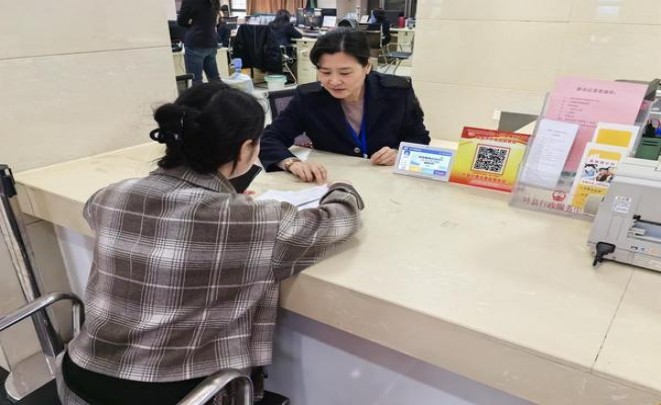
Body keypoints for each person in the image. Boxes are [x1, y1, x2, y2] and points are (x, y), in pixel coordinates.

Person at [57, 83, 364, 404]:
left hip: (79, 380)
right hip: (183, 395)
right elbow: (339, 220)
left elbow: (109, 213)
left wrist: (221, 200)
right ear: (245, 150)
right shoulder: (251, 220)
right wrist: (343, 189)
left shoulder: (112, 195)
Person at [259, 28, 430, 183]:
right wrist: (292, 163)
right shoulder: (309, 97)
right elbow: (270, 138)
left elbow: (418, 137)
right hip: (332, 180)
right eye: (325, 72)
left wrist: (398, 153)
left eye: (345, 73)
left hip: (386, 181)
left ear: (367, 66)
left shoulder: (396, 92)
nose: (334, 81)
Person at [177, 0, 222, 84]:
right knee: (215, 78)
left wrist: (192, 23)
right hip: (211, 41)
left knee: (196, 81)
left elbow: (181, 21)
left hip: (196, 42)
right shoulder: (214, 1)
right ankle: (223, 92)